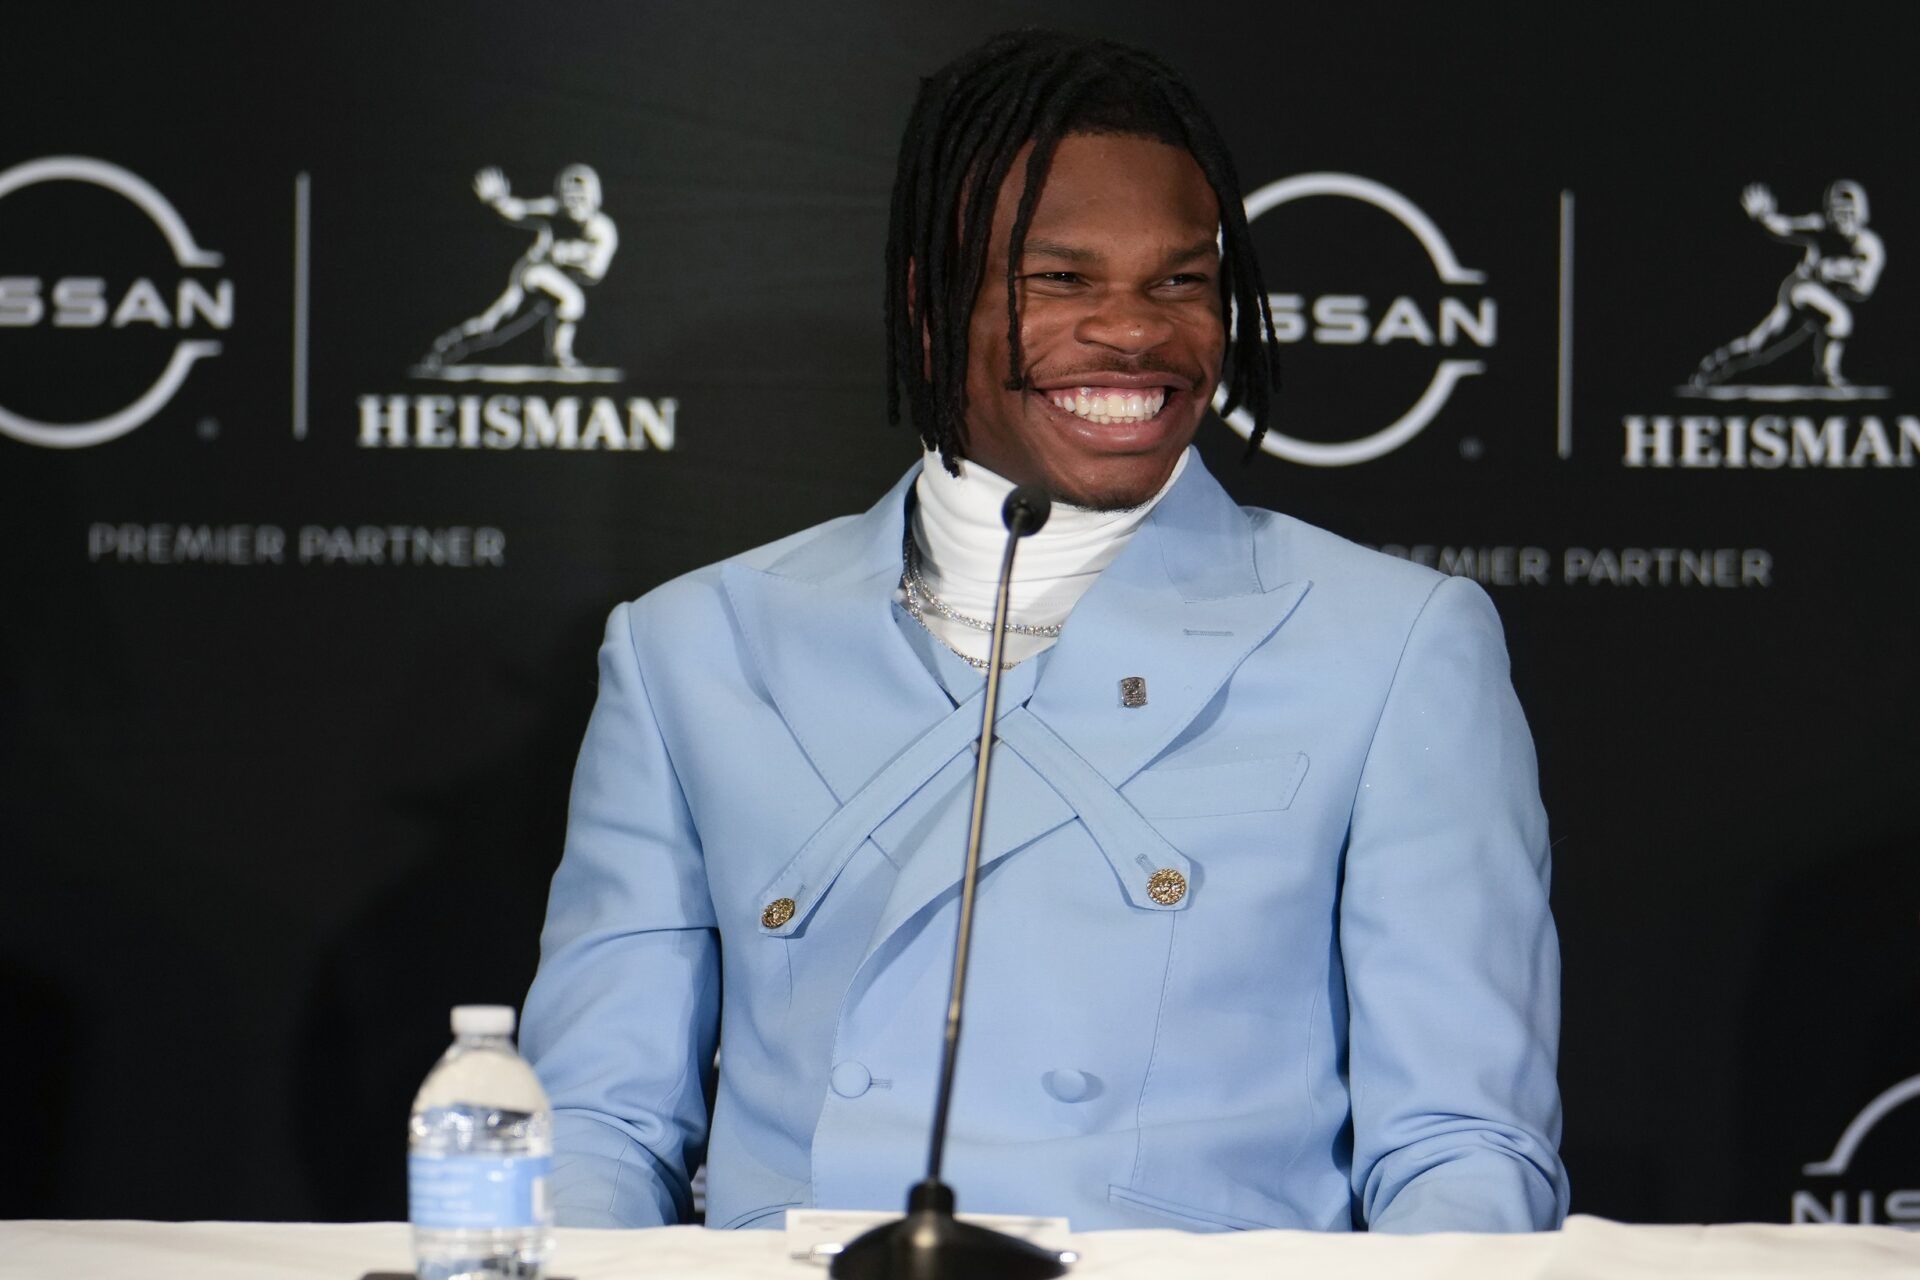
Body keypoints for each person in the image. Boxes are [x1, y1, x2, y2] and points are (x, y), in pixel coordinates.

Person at [521, 29, 1568, 1235]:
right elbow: (598, 1122)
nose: (1136, 333)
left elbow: (1460, 1146)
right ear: (930, 304)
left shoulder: (1395, 644)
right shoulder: (690, 649)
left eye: (1180, 280)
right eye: (1061, 278)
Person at [421, 164, 618, 371]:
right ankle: (558, 355)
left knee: (494, 329)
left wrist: (571, 257)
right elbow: (520, 209)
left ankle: (448, 346)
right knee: (570, 300)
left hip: (554, 284)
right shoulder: (555, 211)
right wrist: (497, 200)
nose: (574, 201)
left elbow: (595, 272)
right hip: (533, 273)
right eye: (569, 194)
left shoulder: (603, 230)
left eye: (580, 195)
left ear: (595, 196)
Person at [1690, 180, 1884, 389]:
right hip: (1800, 289)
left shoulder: (1869, 246)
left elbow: (1863, 288)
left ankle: (1714, 365)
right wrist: (1764, 216)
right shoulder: (1820, 227)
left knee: (1758, 347)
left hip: (1820, 296)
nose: (1842, 216)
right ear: (1829, 210)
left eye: (1848, 209)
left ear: (1861, 212)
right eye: (1837, 209)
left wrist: (1838, 273)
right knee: (1839, 319)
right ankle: (1826, 373)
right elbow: (1787, 226)